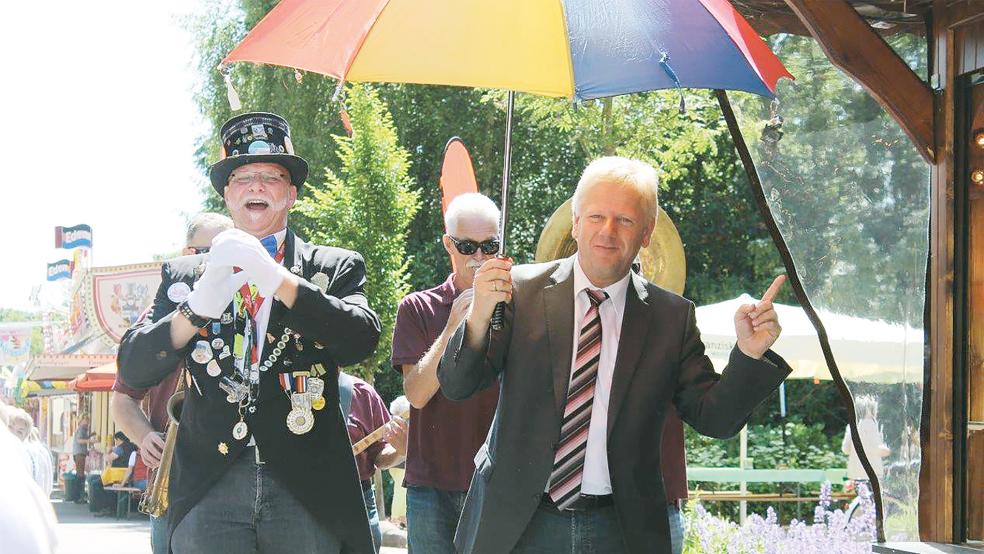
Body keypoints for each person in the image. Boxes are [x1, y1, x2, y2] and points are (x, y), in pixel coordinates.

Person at [438, 156, 791, 553]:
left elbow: (714, 419)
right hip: (518, 524)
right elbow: (457, 385)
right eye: (596, 216)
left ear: (646, 232)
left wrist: (748, 354)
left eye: (624, 220)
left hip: (621, 530)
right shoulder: (518, 291)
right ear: (574, 221)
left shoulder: (671, 318)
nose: (608, 231)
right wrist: (478, 315)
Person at [117, 112, 381, 553]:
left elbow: (361, 340)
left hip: (305, 482)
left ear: (291, 194)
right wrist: (196, 307)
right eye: (242, 177)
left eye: (271, 177)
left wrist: (280, 281)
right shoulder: (187, 275)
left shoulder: (331, 267)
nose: (256, 186)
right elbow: (134, 366)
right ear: (226, 195)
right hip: (211, 481)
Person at [111, 212, 233, 553]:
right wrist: (144, 436)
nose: (212, 262)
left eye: (223, 253)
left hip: (231, 474)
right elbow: (122, 399)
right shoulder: (153, 319)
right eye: (203, 252)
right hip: (173, 474)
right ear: (185, 252)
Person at [391, 192, 501, 553]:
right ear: (447, 244)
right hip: (430, 488)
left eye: (490, 245)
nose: (480, 258)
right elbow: (417, 394)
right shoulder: (418, 307)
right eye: (467, 246)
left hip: (496, 484)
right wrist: (455, 324)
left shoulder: (521, 306)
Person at [339, 371, 409, 553]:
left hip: (359, 496)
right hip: (308, 497)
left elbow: (380, 453)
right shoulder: (294, 386)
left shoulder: (362, 392)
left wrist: (400, 450)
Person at [0, 401, 57, 554]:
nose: (12, 434)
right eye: (10, 428)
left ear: (25, 436)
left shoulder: (27, 457)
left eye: (19, 431)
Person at [841, 395, 891, 485]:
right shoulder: (872, 425)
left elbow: (845, 449)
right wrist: (887, 450)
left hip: (855, 473)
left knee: (861, 498)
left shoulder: (852, 426)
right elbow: (875, 448)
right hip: (872, 472)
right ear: (872, 409)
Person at [71, 414, 96, 479]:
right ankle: (79, 487)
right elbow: (79, 440)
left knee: (80, 471)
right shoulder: (81, 428)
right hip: (79, 453)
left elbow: (83, 437)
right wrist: (90, 440)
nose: (88, 421)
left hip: (78, 452)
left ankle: (79, 485)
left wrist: (90, 435)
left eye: (88, 419)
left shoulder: (82, 428)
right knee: (80, 472)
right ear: (82, 420)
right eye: (86, 419)